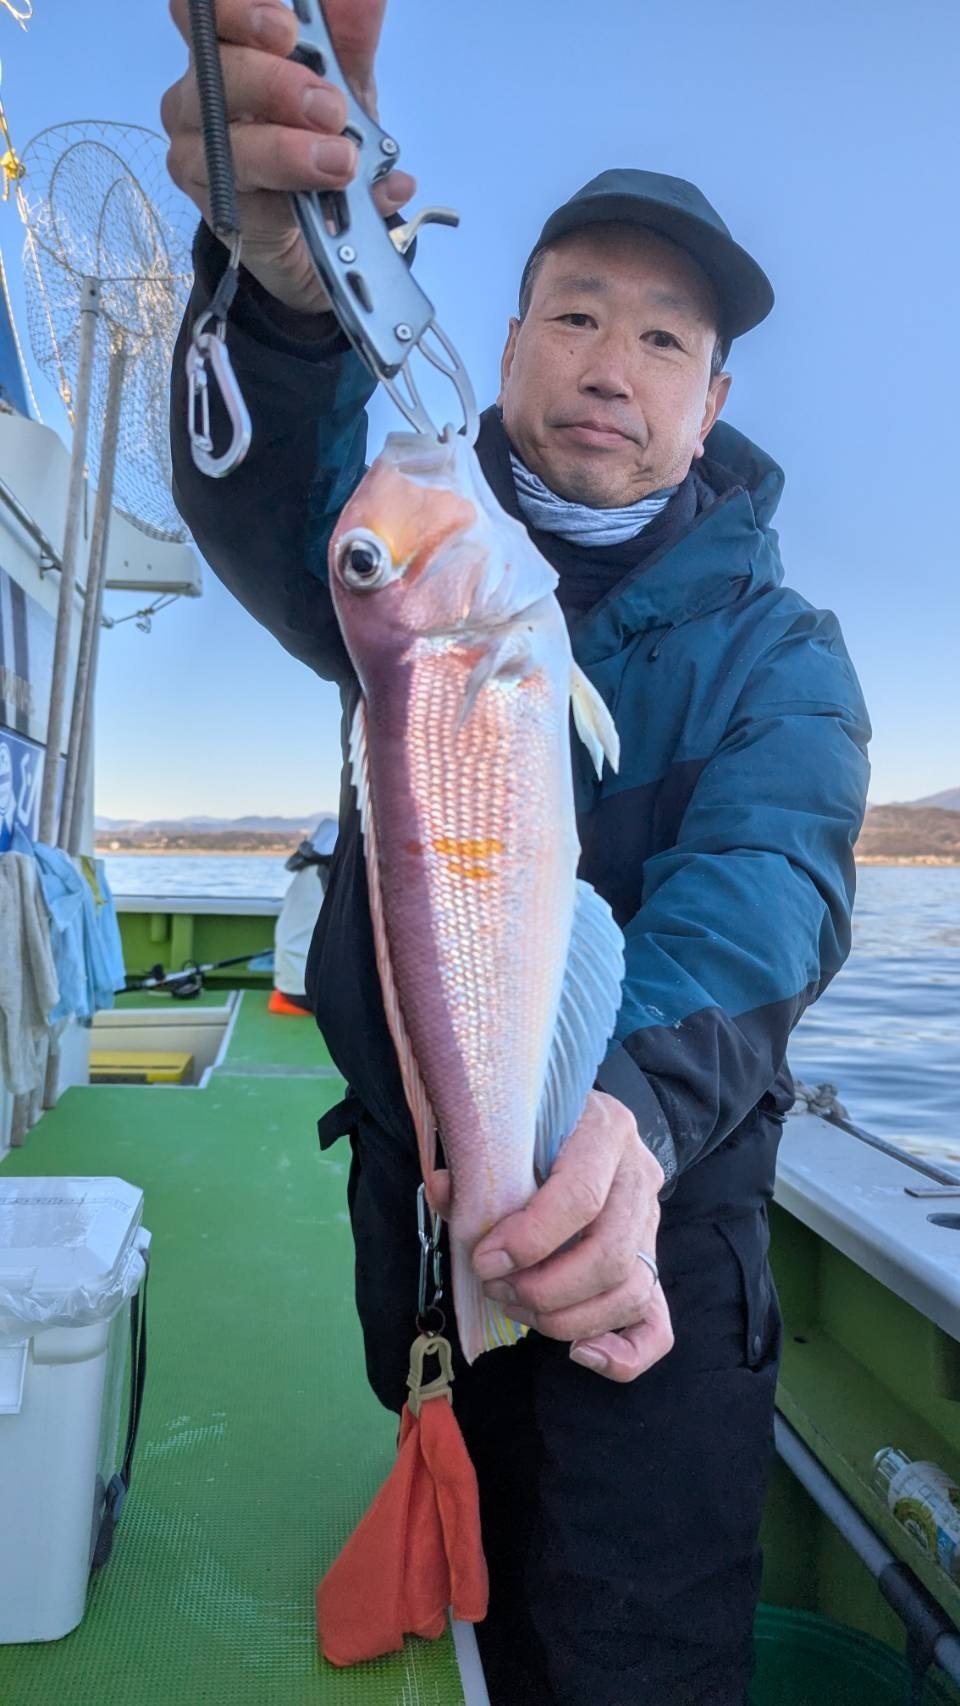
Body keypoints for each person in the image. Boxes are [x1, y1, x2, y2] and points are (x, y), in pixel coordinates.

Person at [162, 4, 870, 1701]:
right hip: (422, 1233)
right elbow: (279, 493)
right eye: (575, 313)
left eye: (666, 338)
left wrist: (626, 1117)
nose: (612, 362)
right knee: (464, 1627)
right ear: (504, 339)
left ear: (713, 401)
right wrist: (281, 291)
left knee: (635, 1646)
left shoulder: (784, 651)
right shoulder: (423, 549)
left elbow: (769, 885)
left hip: (659, 1243)